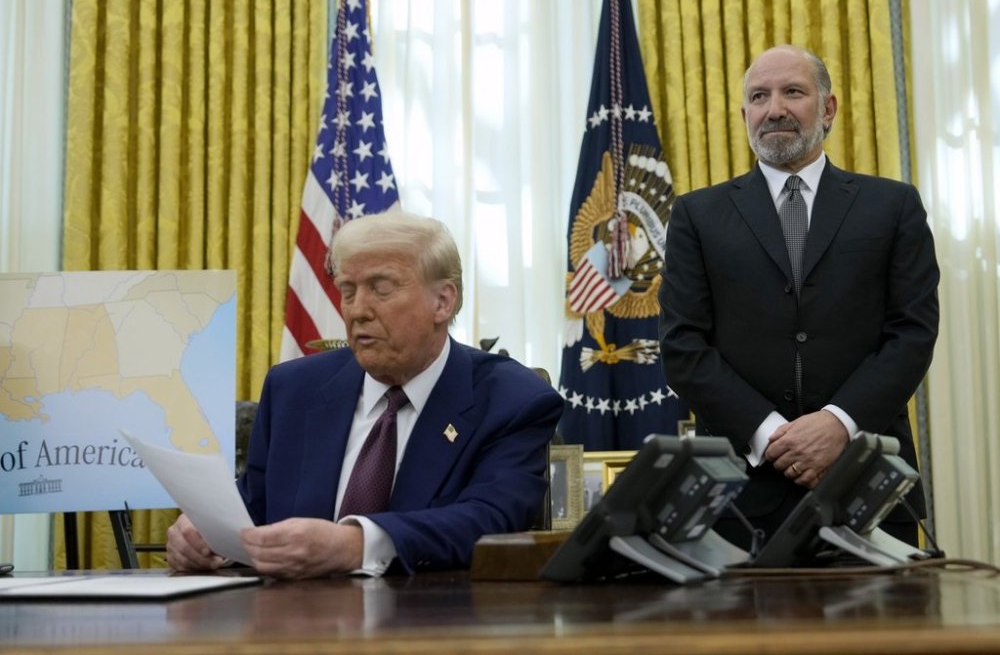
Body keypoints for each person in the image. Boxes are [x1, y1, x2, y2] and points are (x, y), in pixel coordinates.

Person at [167, 211, 563, 577]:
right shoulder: (294, 390)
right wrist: (204, 534)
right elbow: (254, 506)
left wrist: (357, 545)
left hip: (434, 625)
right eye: (348, 290)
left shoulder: (511, 400)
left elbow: (490, 520)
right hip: (293, 629)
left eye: (381, 289)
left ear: (443, 301)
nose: (357, 310)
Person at [658, 45, 939, 550]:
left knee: (887, 630)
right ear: (745, 115)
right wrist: (772, 437)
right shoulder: (696, 216)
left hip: (866, 479)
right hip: (739, 496)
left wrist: (837, 424)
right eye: (759, 97)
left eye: (793, 92)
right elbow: (683, 347)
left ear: (827, 109)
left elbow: (912, 333)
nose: (775, 109)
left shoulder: (893, 206)